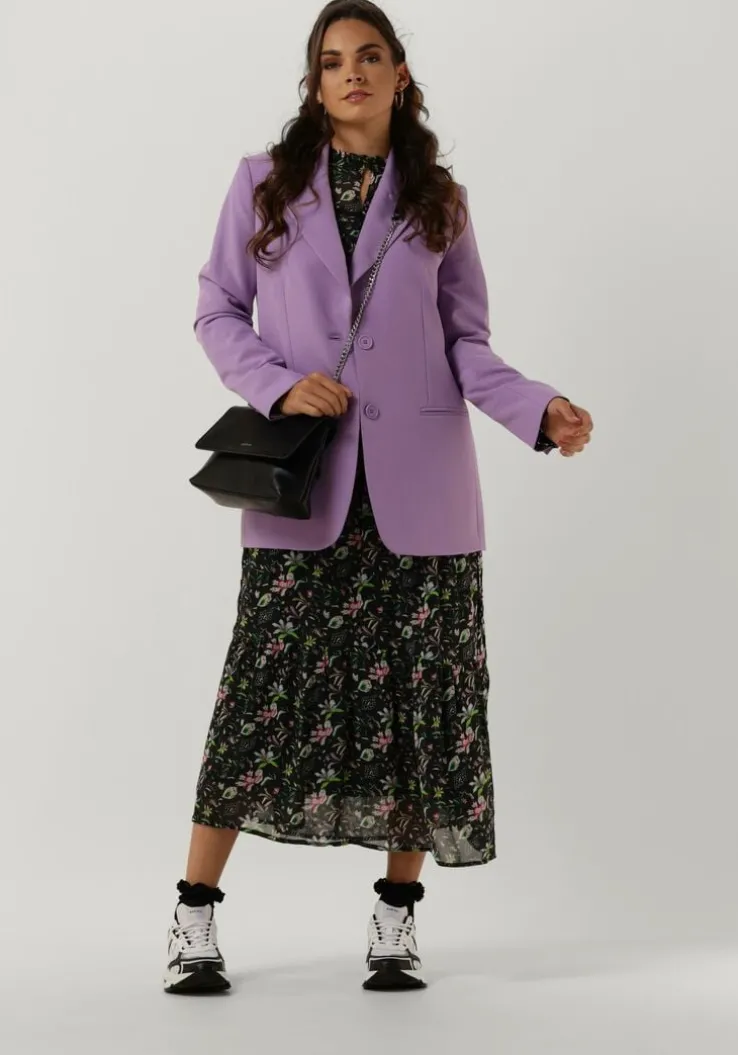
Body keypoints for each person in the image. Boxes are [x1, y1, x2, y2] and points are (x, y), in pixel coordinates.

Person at [164, 0, 593, 996]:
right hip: (306, 484)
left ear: (402, 75)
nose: (350, 73)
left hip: (423, 493)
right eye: (330, 62)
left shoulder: (439, 200)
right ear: (314, 85)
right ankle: (193, 911)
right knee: (259, 699)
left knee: (421, 704)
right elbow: (217, 308)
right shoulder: (264, 185)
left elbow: (467, 343)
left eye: (368, 57)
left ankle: (397, 921)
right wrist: (278, 384)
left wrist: (539, 408)